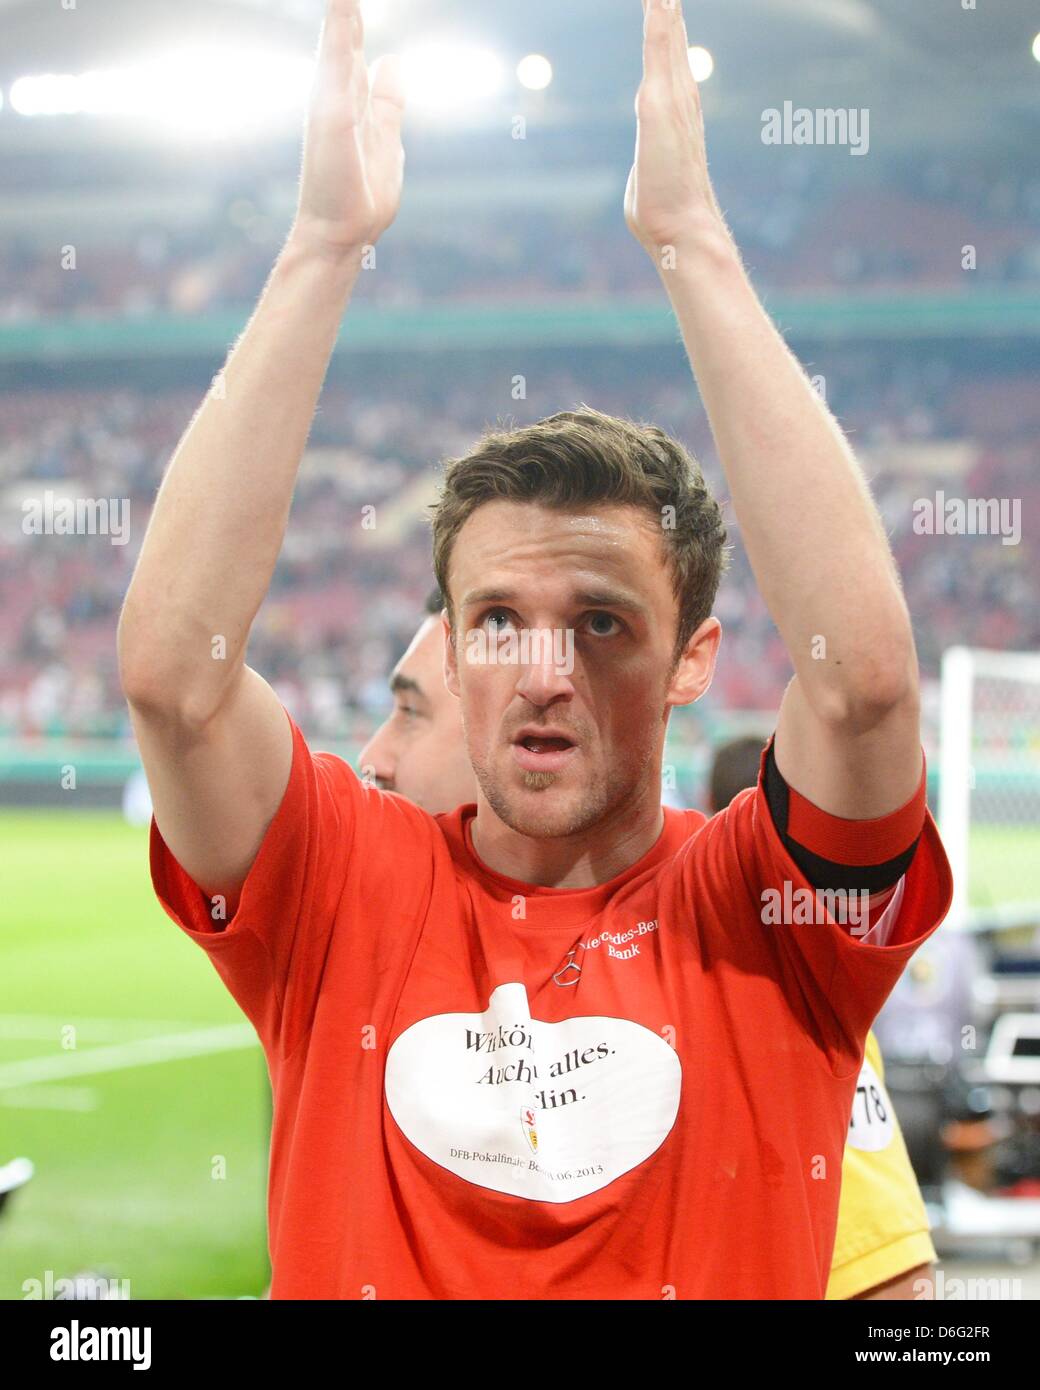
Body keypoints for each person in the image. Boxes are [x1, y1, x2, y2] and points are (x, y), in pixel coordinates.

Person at [118, 0, 952, 1298]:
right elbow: (176, 681)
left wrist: (692, 244)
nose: (546, 668)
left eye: (604, 623)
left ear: (694, 661)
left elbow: (865, 685)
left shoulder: (769, 919)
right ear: (451, 642)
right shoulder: (344, 886)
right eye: (498, 620)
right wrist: (322, 249)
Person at [363, 614, 938, 1300]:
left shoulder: (744, 955)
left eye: (408, 713)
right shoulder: (371, 957)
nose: (375, 755)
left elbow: (891, 1291)